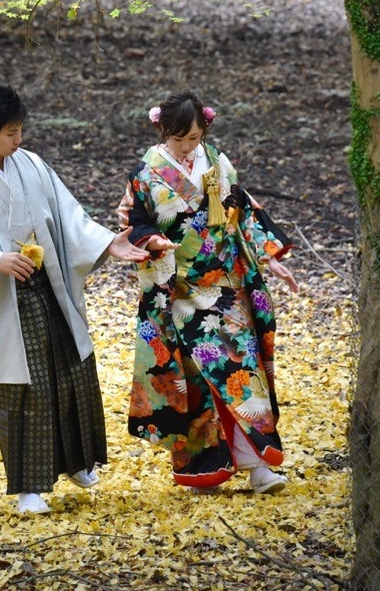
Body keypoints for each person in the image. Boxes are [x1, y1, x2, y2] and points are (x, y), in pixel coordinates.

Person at [0, 84, 150, 515]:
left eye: (19, 130)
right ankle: (29, 490)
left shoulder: (31, 165)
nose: (19, 140)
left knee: (70, 367)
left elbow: (68, 214)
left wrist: (108, 244)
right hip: (5, 296)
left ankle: (77, 462)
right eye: (10, 133)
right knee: (25, 388)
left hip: (47, 282)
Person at [116, 90, 298, 494]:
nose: (186, 146)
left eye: (194, 138)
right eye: (178, 139)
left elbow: (242, 209)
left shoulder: (217, 162)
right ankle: (205, 469)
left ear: (205, 129)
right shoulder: (145, 174)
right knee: (196, 381)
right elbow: (134, 220)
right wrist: (153, 242)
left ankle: (258, 465)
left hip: (226, 284)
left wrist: (270, 257)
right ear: (162, 130)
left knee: (241, 371)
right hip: (179, 286)